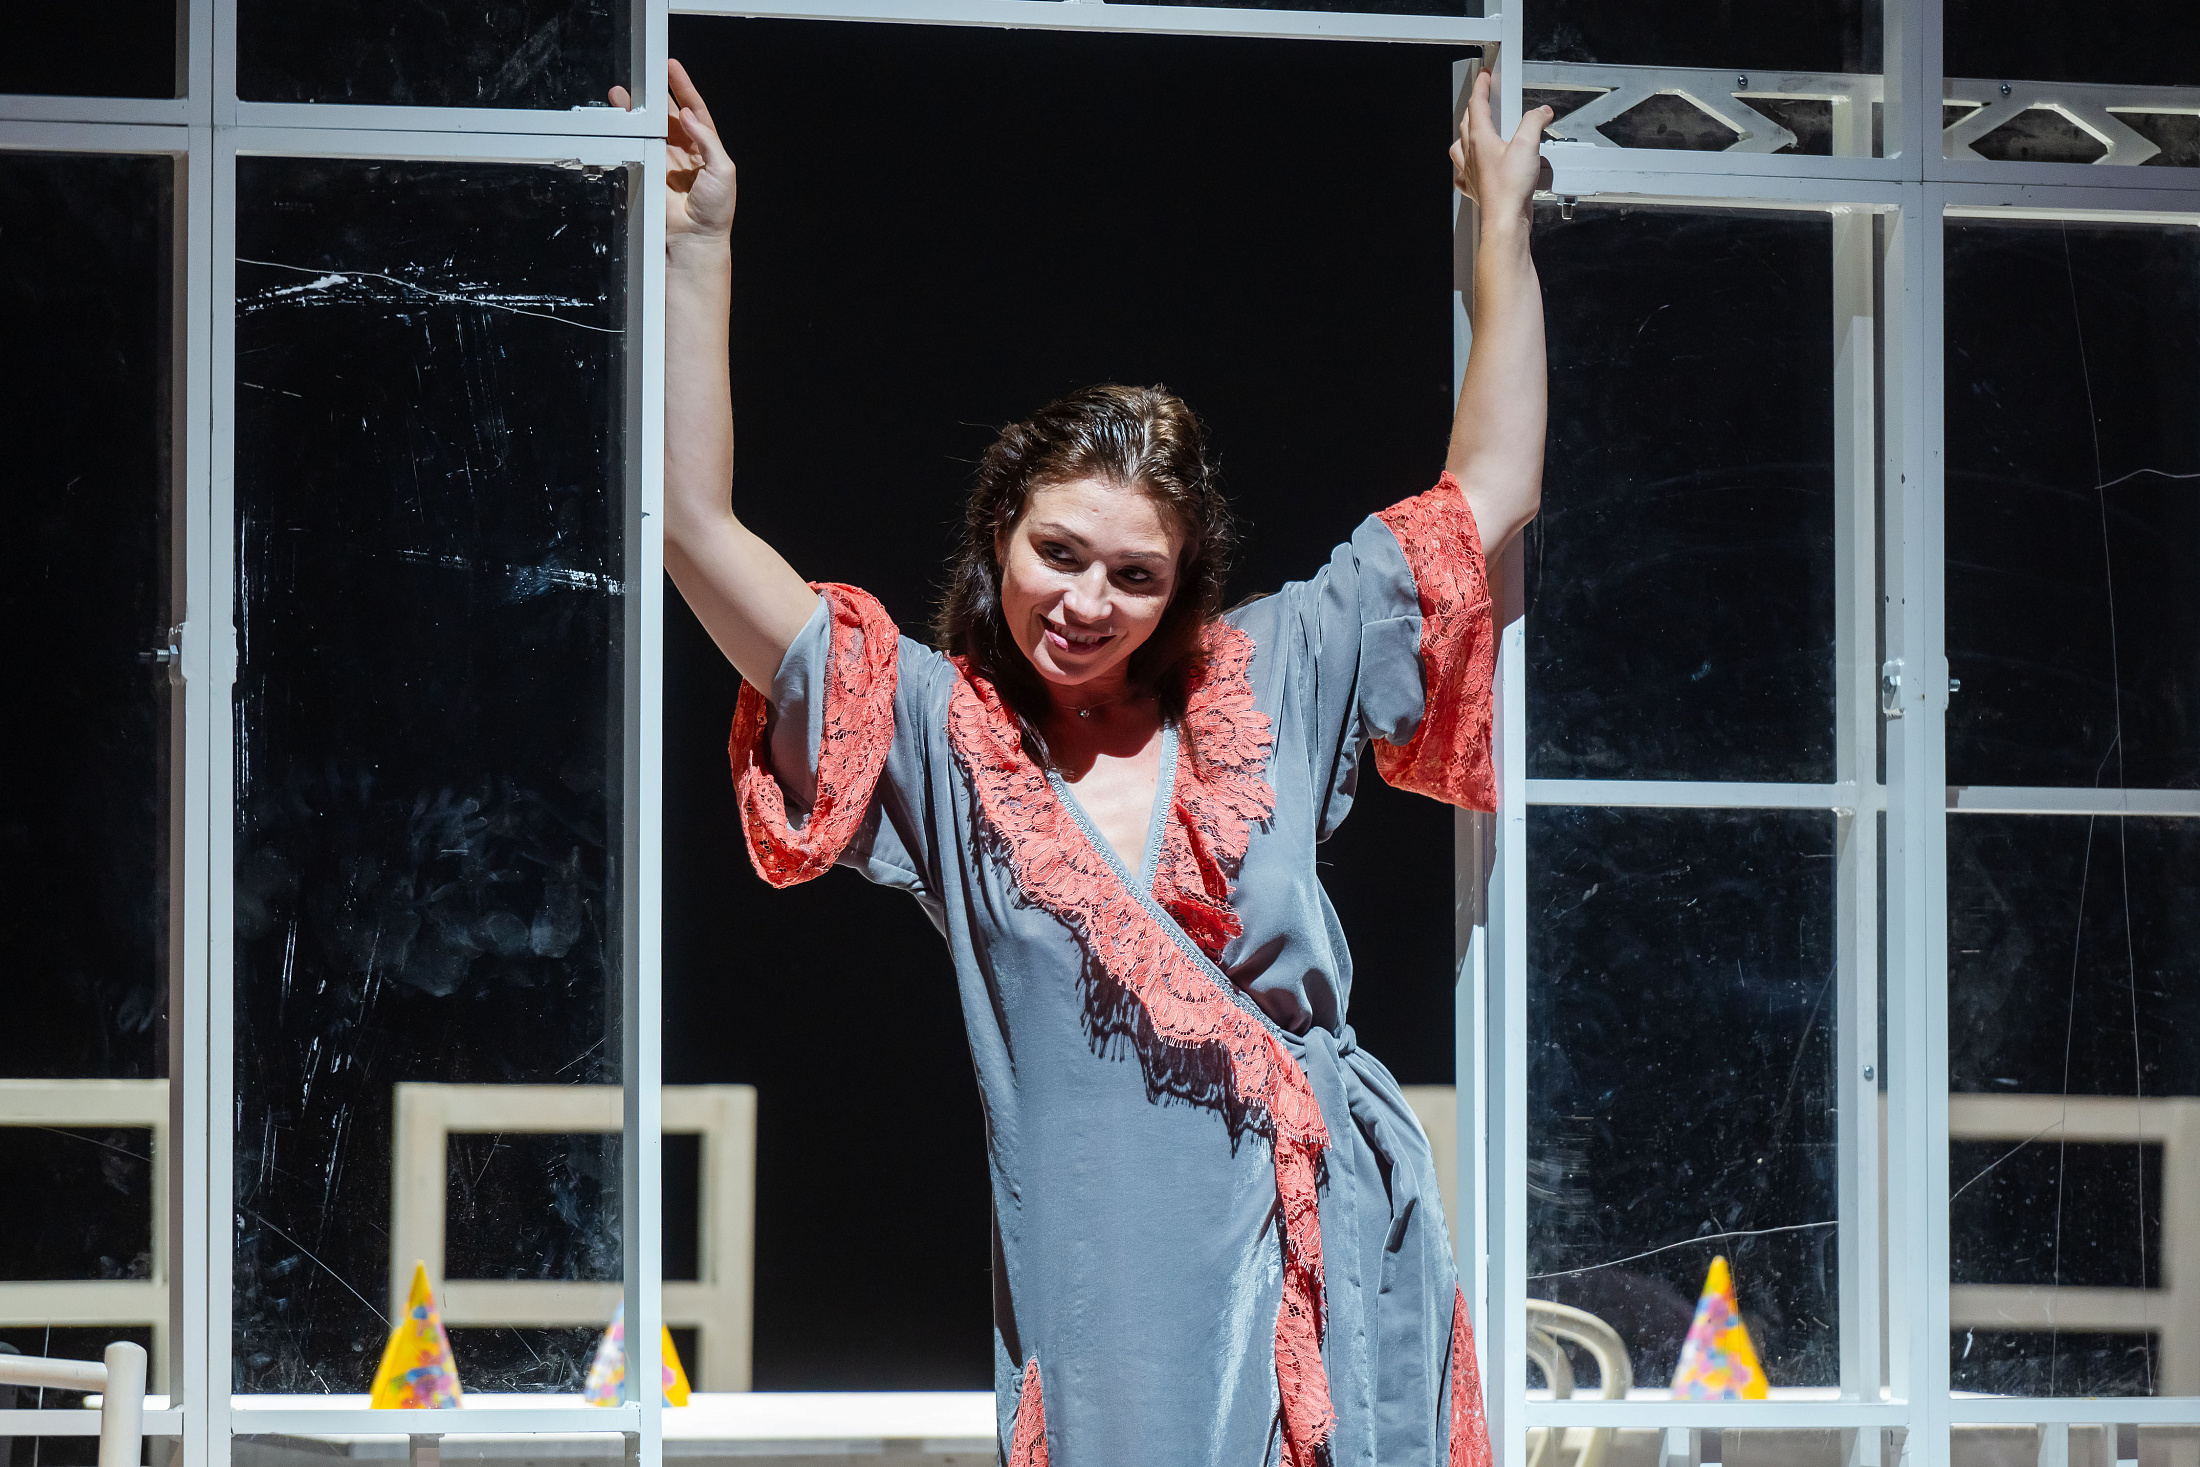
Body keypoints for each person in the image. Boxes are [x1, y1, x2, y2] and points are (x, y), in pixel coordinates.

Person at [610, 58, 1551, 1467]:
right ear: (999, 533)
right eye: (1058, 552)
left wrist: (1500, 228)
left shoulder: (1277, 669)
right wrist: (699, 253)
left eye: (1135, 574)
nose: (1086, 601)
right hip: (1110, 1300)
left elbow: (1488, 491)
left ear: (1183, 589)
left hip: (1326, 1249)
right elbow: (694, 529)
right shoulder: (936, 733)